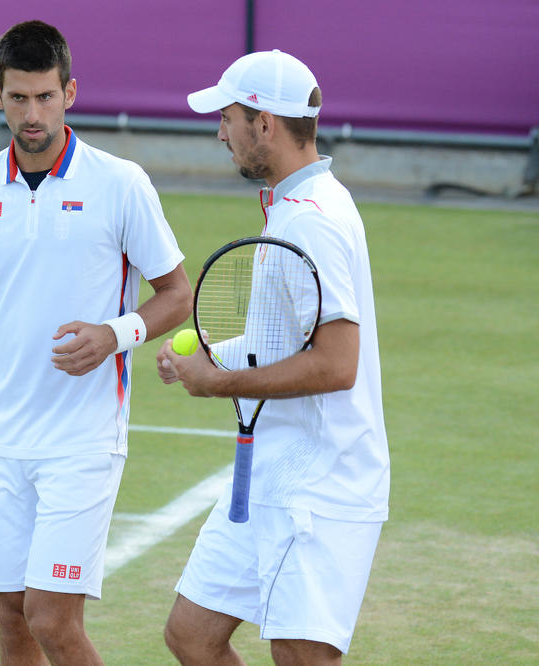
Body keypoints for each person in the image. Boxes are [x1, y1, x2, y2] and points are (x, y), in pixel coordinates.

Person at [0, 20, 192, 665]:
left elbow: (179, 293)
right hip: (0, 439)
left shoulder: (121, 184)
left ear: (70, 94)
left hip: (83, 441)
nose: (32, 114)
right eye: (18, 98)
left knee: (52, 619)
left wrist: (114, 334)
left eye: (44, 97)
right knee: (13, 619)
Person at [157, 50, 389, 665]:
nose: (220, 133)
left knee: (300, 657)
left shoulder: (312, 221)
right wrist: (209, 356)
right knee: (192, 635)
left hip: (320, 487)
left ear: (263, 124)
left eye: (228, 118)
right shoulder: (293, 208)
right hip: (270, 477)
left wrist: (219, 381)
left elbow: (337, 364)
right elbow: (286, 339)